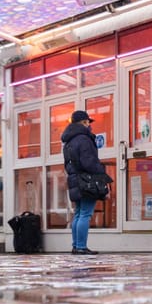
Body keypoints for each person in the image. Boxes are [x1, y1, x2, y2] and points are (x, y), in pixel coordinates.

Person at [62, 109, 108, 255]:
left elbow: (68, 163)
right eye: (88, 122)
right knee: (85, 214)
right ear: (84, 122)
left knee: (79, 213)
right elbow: (89, 162)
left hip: (75, 178)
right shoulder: (84, 139)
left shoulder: (69, 140)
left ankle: (76, 245)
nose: (89, 125)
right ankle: (81, 246)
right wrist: (101, 174)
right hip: (86, 180)